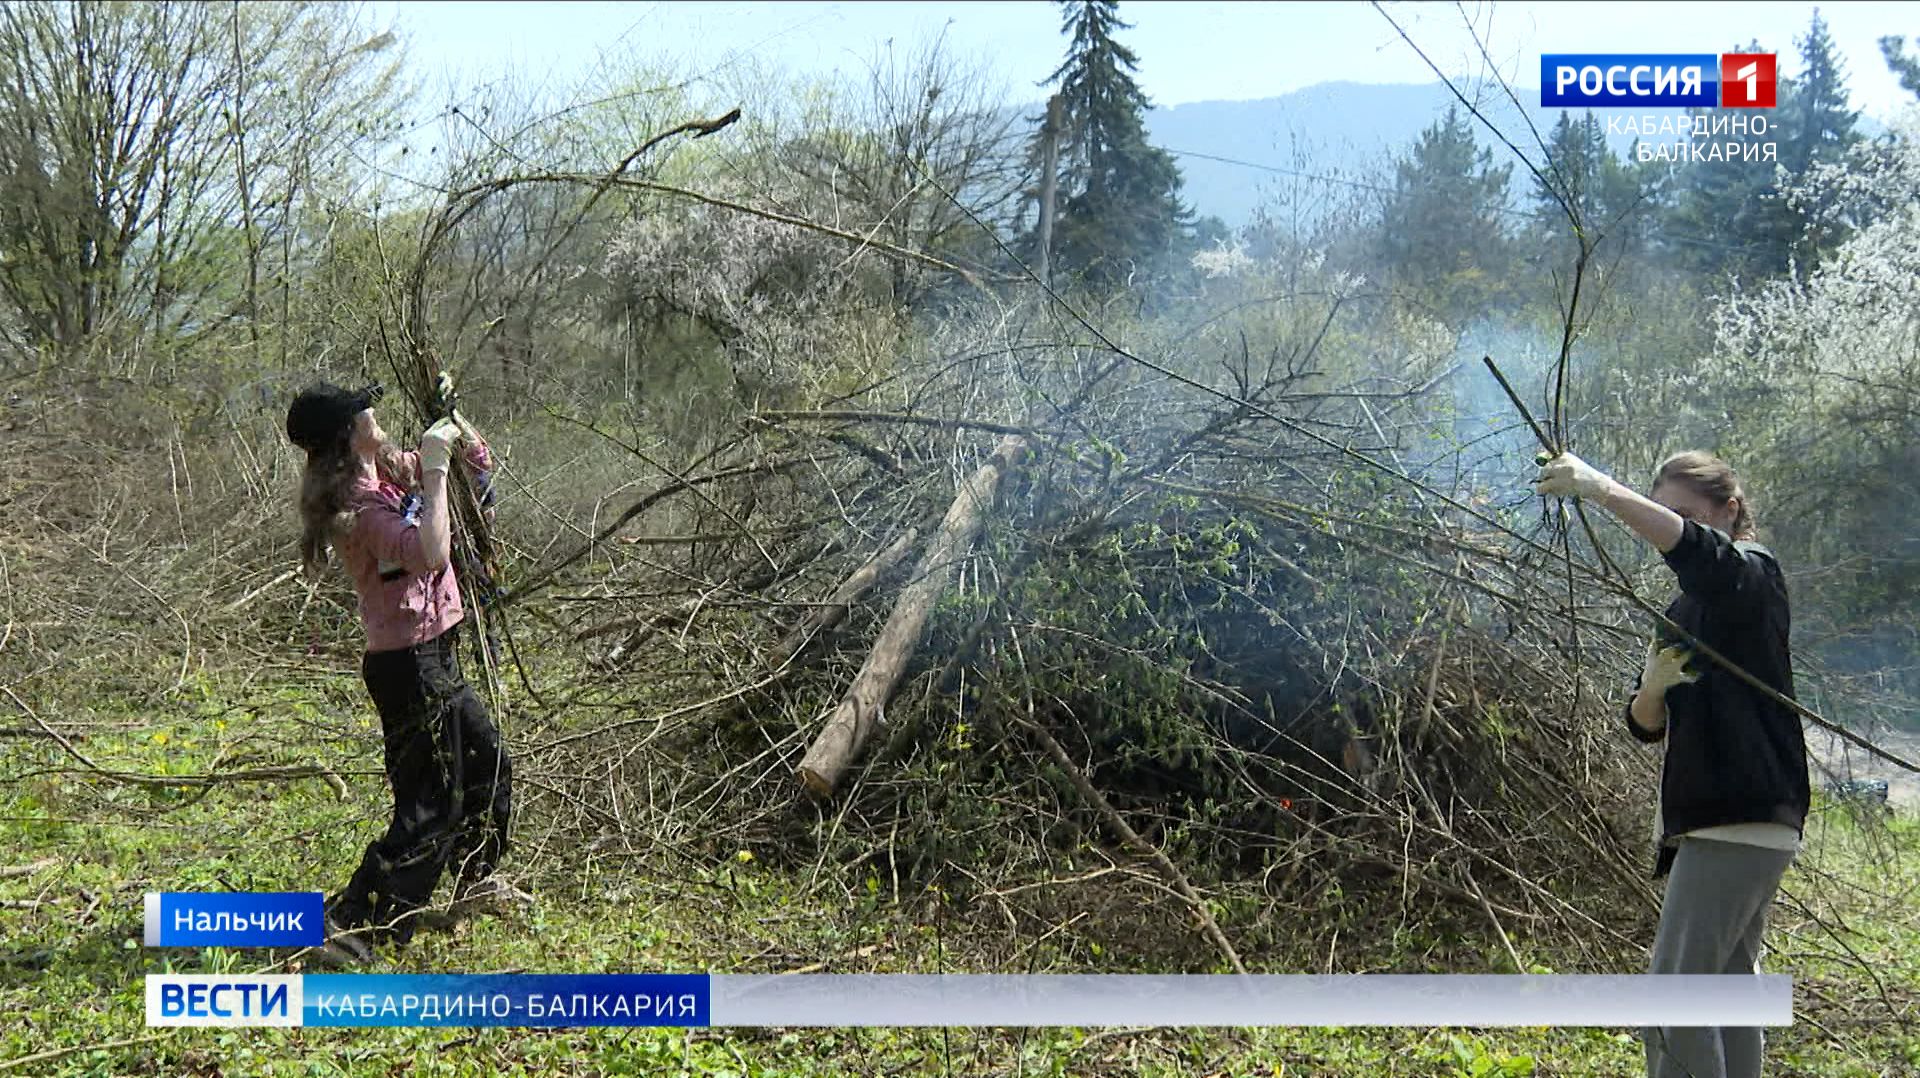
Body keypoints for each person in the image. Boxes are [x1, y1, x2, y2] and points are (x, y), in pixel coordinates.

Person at [1534, 449, 1809, 1078]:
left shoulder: (1754, 576)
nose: (1672, 524)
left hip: (1734, 816)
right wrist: (1652, 688)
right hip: (1732, 820)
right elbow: (1644, 726)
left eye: (1682, 514)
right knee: (1729, 985)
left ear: (1729, 511)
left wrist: (1603, 489)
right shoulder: (1686, 611)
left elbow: (1704, 558)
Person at [286, 380, 520, 963]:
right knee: (429, 802)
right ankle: (353, 926)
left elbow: (477, 465)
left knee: (487, 762)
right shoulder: (355, 509)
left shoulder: (390, 472)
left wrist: (453, 422)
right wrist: (435, 471)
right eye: (362, 410)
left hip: (437, 651)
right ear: (347, 433)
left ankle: (472, 882)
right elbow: (428, 552)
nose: (374, 413)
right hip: (406, 665)